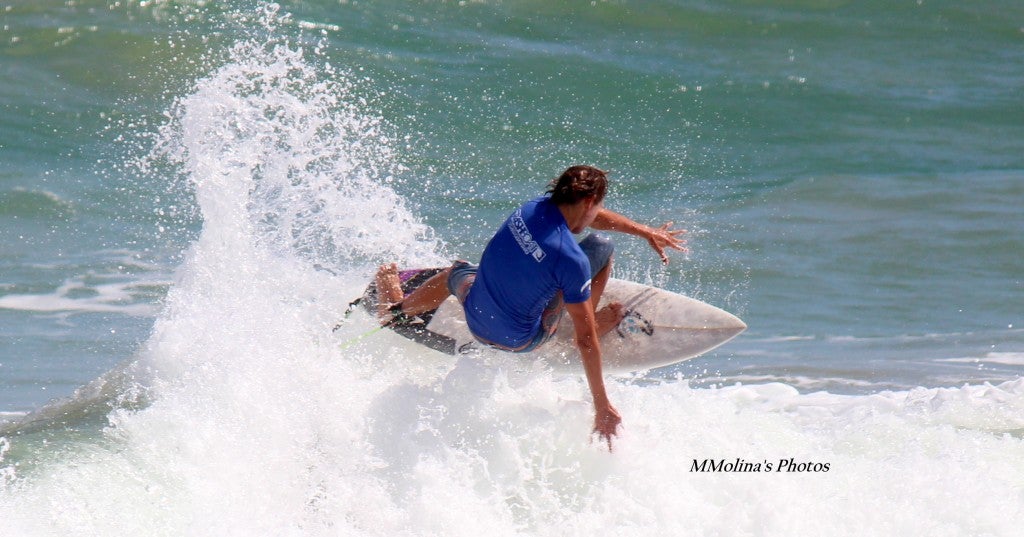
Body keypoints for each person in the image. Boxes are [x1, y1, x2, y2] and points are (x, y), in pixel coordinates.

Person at [375, 165, 686, 449]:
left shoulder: (531, 209)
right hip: (520, 340)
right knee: (602, 247)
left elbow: (587, 218)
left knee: (456, 272)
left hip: (475, 316)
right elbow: (586, 343)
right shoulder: (571, 260)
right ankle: (592, 317)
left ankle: (395, 311)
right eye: (598, 205)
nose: (599, 212)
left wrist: (645, 231)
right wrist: (602, 407)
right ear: (590, 202)